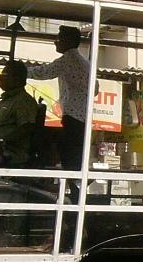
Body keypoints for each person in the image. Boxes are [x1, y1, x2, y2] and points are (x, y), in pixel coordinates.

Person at [26, 25, 93, 171]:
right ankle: (75, 188)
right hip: (83, 117)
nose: (55, 42)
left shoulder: (66, 60)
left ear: (68, 41)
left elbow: (44, 72)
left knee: (69, 157)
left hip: (72, 116)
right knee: (74, 156)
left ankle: (75, 190)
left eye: (59, 39)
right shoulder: (85, 63)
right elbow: (96, 89)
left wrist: (21, 71)